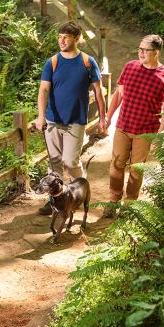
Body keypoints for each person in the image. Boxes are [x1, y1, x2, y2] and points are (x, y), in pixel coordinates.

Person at [35, 22, 106, 215]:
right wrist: (41, 116)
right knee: (55, 161)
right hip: (52, 120)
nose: (61, 41)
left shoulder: (87, 62)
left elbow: (99, 92)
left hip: (76, 121)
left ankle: (81, 192)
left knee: (70, 161)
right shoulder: (52, 62)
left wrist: (102, 118)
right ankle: (55, 200)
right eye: (59, 37)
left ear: (77, 38)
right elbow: (43, 90)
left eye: (66, 37)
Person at [103, 34, 164, 218]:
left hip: (145, 132)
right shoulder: (130, 67)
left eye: (146, 50)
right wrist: (108, 116)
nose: (141, 53)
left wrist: (159, 135)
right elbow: (119, 95)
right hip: (123, 126)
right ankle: (113, 200)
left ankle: (129, 206)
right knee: (116, 165)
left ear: (157, 52)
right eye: (140, 49)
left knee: (136, 170)